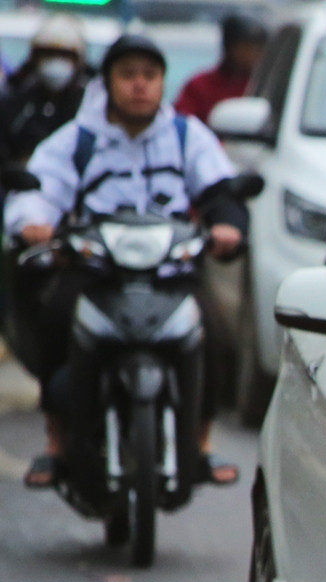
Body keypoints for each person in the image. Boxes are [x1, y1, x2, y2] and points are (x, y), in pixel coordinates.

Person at [8, 35, 248, 489]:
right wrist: (33, 222)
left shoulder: (186, 135)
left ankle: (199, 444)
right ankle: (57, 443)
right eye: (128, 75)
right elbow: (39, 190)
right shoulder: (78, 139)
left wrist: (228, 227)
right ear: (108, 82)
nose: (139, 86)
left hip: (171, 272)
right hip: (96, 272)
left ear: (162, 83)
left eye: (149, 76)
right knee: (56, 319)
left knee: (214, 334)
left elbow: (221, 192)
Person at [0, 15, 92, 167]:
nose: (56, 62)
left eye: (64, 55)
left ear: (78, 61)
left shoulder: (91, 104)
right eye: (48, 54)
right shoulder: (13, 101)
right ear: (34, 58)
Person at [173, 13, 266, 124]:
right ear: (229, 46)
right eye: (246, 47)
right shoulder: (200, 85)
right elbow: (182, 125)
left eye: (259, 49)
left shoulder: (266, 86)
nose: (253, 54)